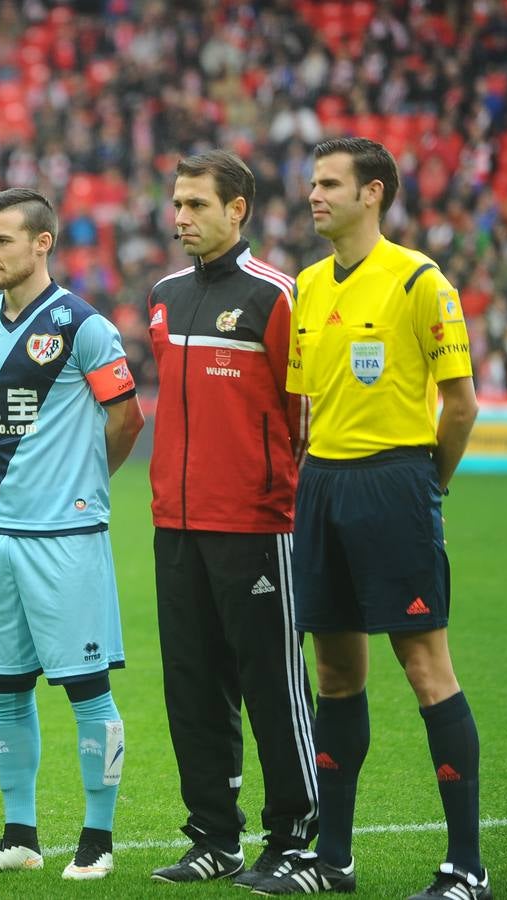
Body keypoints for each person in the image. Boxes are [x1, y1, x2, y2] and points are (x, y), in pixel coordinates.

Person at [253, 138, 484, 899]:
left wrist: (427, 486)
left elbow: (461, 406)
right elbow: (308, 407)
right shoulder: (310, 286)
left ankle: (465, 870)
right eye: (311, 181)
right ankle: (335, 863)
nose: (313, 194)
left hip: (394, 484)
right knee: (335, 672)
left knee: (425, 668)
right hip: (322, 486)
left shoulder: (420, 280)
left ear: (374, 193)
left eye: (330, 183)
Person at [0, 189, 143, 880]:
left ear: (42, 243)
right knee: (6, 689)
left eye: (4, 239)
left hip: (66, 536)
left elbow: (126, 419)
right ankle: (21, 835)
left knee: (88, 689)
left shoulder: (81, 324)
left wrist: (84, 486)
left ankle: (98, 839)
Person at [144, 150, 319, 888]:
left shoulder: (277, 296)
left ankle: (296, 840)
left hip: (253, 526)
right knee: (191, 684)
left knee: (274, 685)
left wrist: (269, 493)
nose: (180, 217)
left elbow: (302, 417)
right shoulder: (164, 293)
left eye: (195, 204)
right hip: (173, 525)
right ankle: (214, 837)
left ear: (236, 209)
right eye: (177, 203)